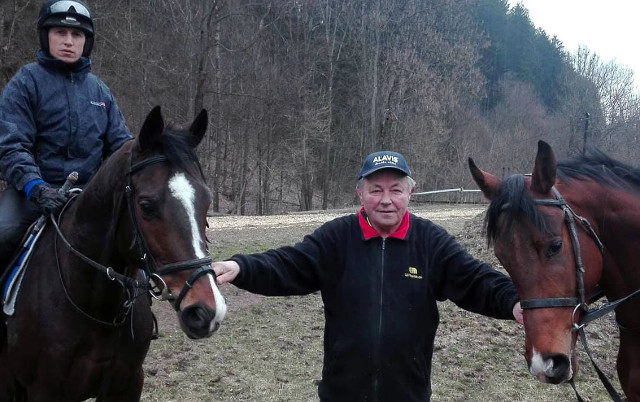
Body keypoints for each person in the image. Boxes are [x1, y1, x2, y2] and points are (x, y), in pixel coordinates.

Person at [213, 150, 524, 401]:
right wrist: (241, 267)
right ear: (360, 193)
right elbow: (288, 264)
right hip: (342, 394)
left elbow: (474, 279)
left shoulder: (431, 242)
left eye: (395, 190)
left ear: (410, 193)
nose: (385, 199)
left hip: (409, 394)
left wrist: (513, 302)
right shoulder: (337, 238)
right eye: (376, 190)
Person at [0, 0, 132, 271]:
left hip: (90, 194)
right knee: (3, 233)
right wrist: (36, 188)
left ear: (87, 42)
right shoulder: (25, 83)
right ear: (45, 36)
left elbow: (122, 149)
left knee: (136, 239)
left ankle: (139, 306)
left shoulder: (100, 93)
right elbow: (11, 146)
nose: (69, 41)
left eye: (77, 35)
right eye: (60, 33)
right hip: (33, 194)